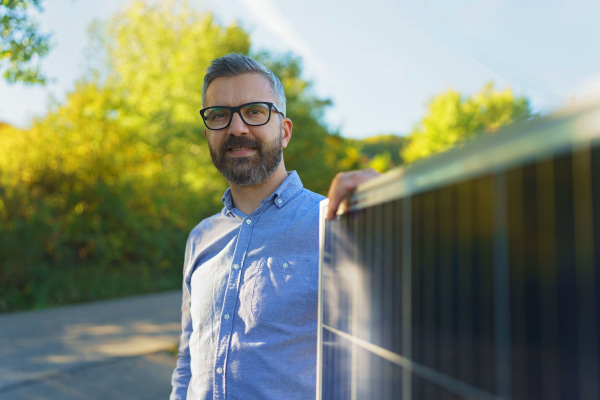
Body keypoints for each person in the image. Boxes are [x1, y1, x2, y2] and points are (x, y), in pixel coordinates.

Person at [170, 53, 377, 400]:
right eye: (220, 115)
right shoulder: (200, 237)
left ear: (284, 132)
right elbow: (187, 358)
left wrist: (394, 205)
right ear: (209, 134)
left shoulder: (337, 222)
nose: (237, 128)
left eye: (254, 111)